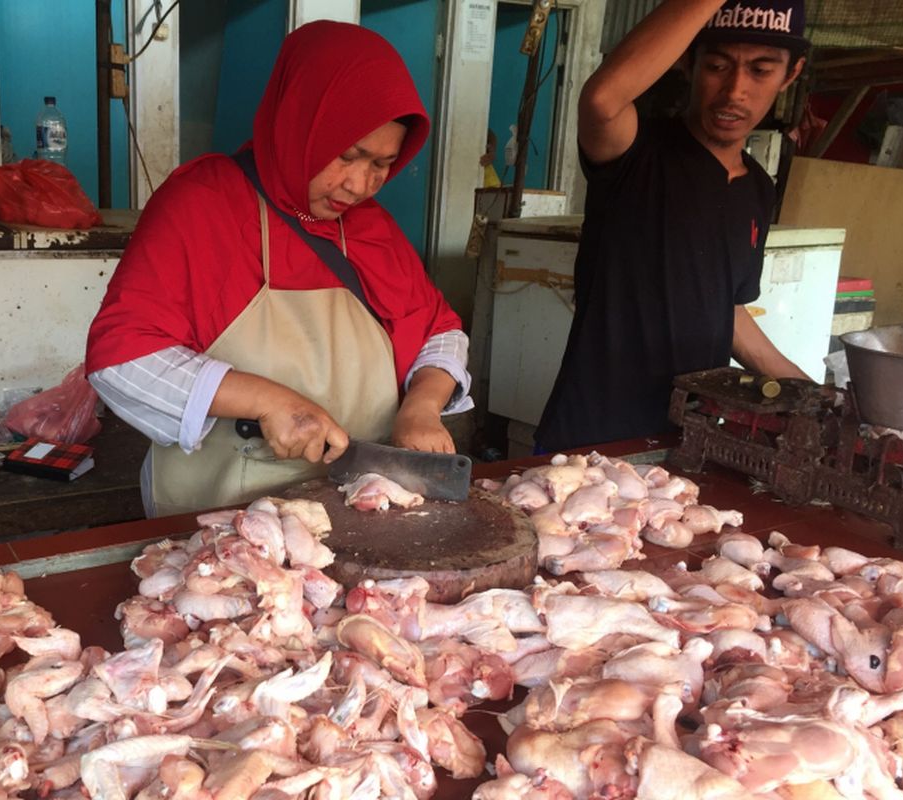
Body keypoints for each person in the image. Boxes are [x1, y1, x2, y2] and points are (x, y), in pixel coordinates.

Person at [86, 21, 471, 517]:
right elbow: (121, 358)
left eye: (383, 163)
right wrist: (268, 401)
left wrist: (422, 404)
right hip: (225, 525)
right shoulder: (206, 206)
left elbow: (440, 330)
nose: (360, 185)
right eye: (348, 155)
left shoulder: (370, 226)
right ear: (301, 122)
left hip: (360, 512)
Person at [534, 0, 811, 454]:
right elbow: (602, 100)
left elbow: (728, 309)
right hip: (591, 435)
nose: (735, 91)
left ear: (791, 74)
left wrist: (806, 390)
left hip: (689, 439)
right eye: (718, 66)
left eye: (761, 71)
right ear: (687, 62)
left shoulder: (758, 188)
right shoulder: (636, 151)